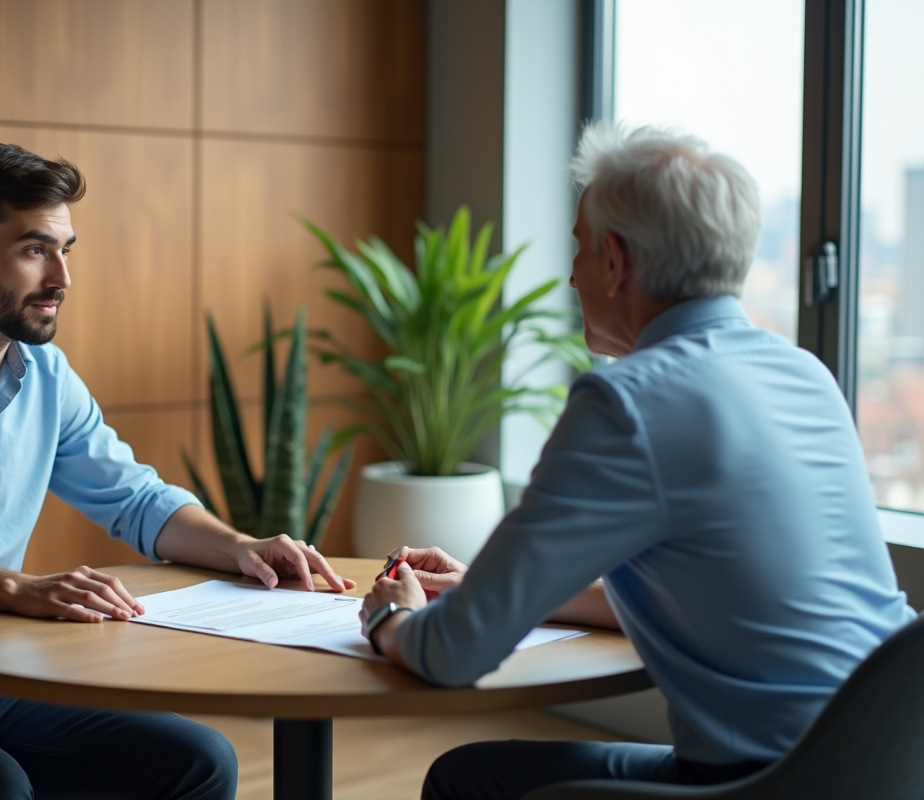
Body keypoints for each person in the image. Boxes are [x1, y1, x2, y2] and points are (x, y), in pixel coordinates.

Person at [0, 140, 356, 800]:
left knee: (199, 759)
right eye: (34, 250)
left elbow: (136, 500)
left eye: (65, 250)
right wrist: (22, 590)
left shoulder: (46, 376)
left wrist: (241, 547)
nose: (62, 277)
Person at [359, 123, 916, 800]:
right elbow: (716, 594)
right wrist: (486, 590)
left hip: (765, 783)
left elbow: (453, 656)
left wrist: (393, 617)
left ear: (615, 261)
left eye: (578, 250)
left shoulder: (625, 403)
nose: (570, 275)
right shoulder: (806, 375)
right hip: (891, 762)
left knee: (468, 781)